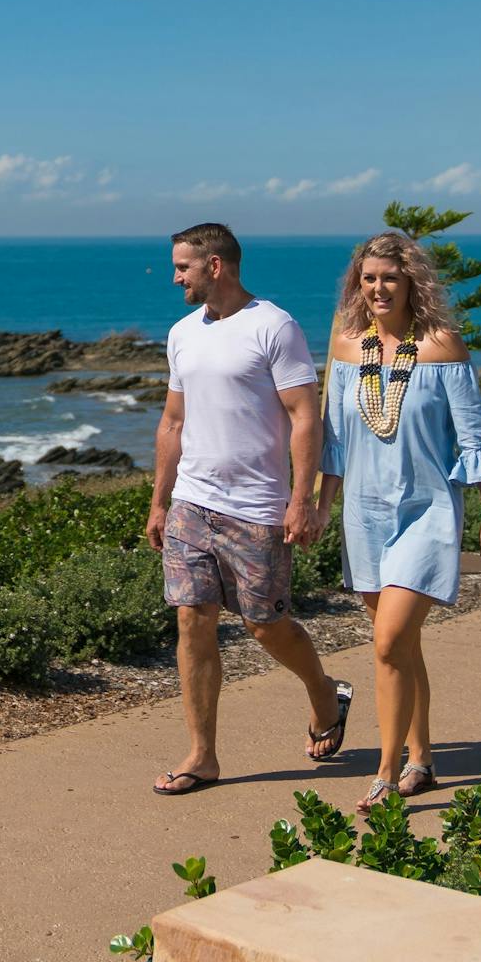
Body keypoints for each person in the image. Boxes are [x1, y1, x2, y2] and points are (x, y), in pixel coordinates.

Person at [146, 222, 352, 796]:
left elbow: (305, 416)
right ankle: (202, 756)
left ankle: (322, 692)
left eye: (183, 266)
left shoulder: (274, 326)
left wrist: (302, 500)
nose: (175, 276)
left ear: (216, 266)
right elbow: (173, 421)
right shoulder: (182, 333)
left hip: (257, 506)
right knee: (192, 620)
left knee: (264, 626)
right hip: (193, 501)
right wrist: (160, 501)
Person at [315, 231, 481, 815]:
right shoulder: (347, 346)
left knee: (387, 642)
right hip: (365, 513)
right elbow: (333, 438)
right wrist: (323, 504)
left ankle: (385, 769)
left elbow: (475, 437)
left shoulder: (442, 345)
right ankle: (422, 757)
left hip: (428, 510)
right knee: (401, 647)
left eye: (390, 278)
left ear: (411, 283)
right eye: (369, 278)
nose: (378, 288)